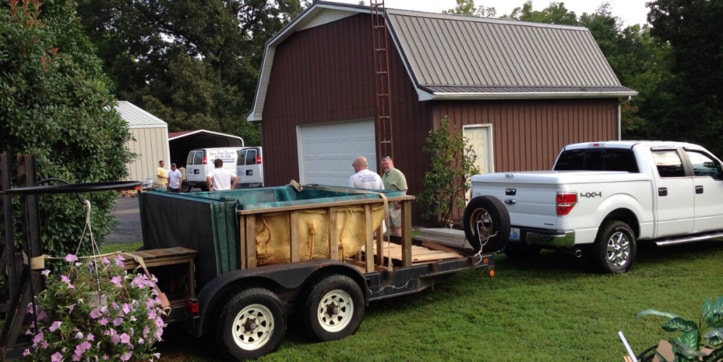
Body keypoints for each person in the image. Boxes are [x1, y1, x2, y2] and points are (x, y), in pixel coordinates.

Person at [381, 156, 408, 237]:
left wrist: (399, 203)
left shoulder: (397, 174)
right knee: (391, 228)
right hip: (388, 205)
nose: (385, 166)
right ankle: (395, 245)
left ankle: (400, 245)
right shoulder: (385, 175)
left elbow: (404, 189)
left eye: (386, 163)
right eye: (383, 164)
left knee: (397, 228)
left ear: (391, 163)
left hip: (396, 206)